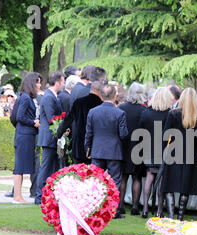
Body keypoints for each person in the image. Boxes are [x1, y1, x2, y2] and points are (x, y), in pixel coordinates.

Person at [161, 88, 197, 221]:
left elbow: (165, 135)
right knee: (185, 186)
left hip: (173, 152)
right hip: (190, 154)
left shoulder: (173, 114)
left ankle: (170, 216)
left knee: (169, 184)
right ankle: (180, 216)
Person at [85, 83, 128, 216]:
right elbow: (123, 134)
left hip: (97, 150)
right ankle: (112, 211)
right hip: (114, 151)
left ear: (101, 96)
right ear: (115, 96)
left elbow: (89, 133)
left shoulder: (92, 112)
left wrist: (88, 148)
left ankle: (94, 207)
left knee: (95, 180)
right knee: (115, 181)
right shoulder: (120, 113)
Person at [138, 87, 174, 218]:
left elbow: (140, 131)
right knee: (161, 180)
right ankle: (159, 210)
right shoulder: (170, 114)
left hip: (148, 148)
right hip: (164, 149)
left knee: (149, 176)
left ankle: (145, 209)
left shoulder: (146, 113)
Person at [34, 71, 65, 205]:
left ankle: (46, 194)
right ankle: (39, 196)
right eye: (63, 82)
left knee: (50, 167)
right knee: (45, 167)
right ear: (57, 82)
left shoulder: (52, 96)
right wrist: (63, 125)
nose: (63, 84)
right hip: (48, 138)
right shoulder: (48, 96)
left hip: (51, 137)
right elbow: (52, 118)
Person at [118, 82, 147, 216]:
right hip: (139, 147)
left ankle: (121, 204)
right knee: (137, 177)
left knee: (123, 177)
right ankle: (135, 206)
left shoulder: (122, 108)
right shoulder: (144, 110)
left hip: (124, 146)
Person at [56, 81, 103, 164]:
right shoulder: (101, 104)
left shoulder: (78, 102)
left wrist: (59, 133)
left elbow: (68, 119)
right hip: (95, 145)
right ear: (100, 91)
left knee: (79, 171)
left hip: (79, 143)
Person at [12, 72, 42, 204]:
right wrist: (34, 122)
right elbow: (19, 117)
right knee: (19, 166)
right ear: (31, 83)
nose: (39, 85)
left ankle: (17, 196)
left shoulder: (25, 97)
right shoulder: (25, 98)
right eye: (37, 82)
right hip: (24, 135)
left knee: (21, 166)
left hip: (24, 135)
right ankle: (17, 196)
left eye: (40, 82)